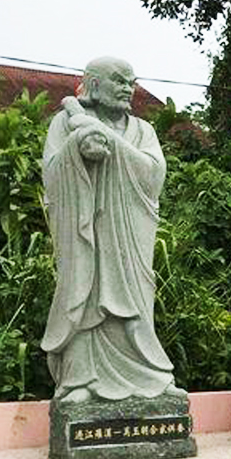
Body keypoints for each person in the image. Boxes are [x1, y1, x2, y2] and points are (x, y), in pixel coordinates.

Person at [41, 57, 181, 402]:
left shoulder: (142, 131)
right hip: (85, 232)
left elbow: (152, 177)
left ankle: (151, 378)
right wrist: (79, 149)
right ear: (93, 84)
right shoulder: (65, 122)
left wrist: (107, 140)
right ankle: (80, 381)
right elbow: (53, 175)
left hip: (129, 233)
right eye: (118, 80)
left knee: (134, 301)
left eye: (130, 82)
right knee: (84, 294)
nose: (127, 88)